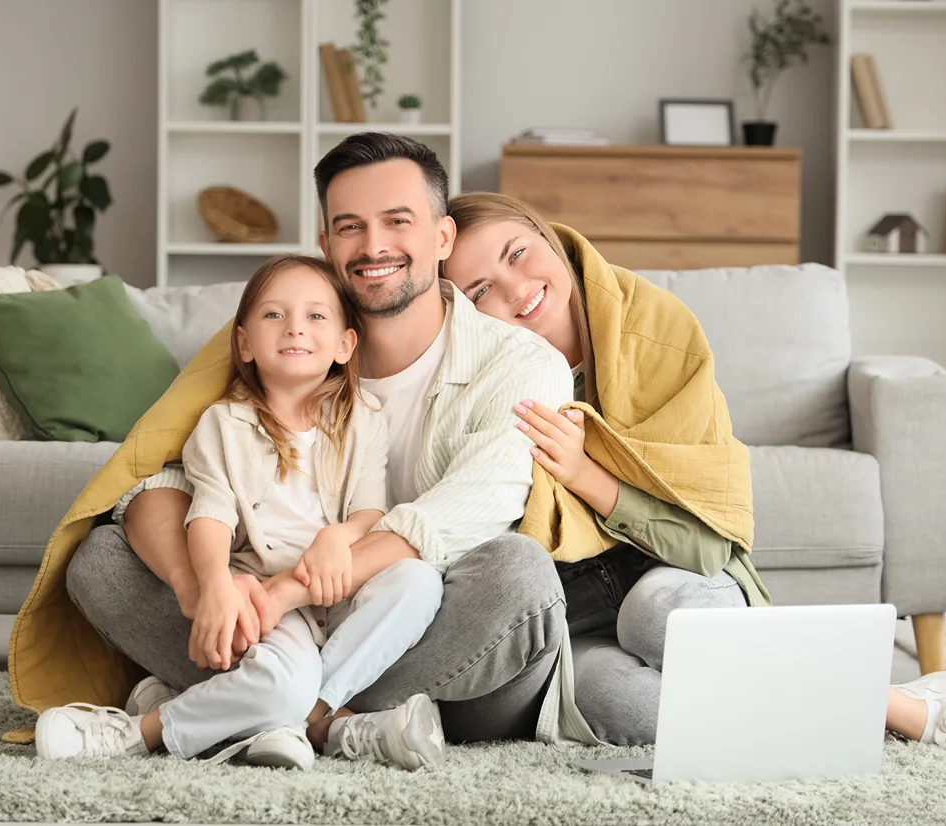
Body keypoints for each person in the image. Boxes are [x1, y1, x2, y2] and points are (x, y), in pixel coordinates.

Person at [441, 191, 946, 756]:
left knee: (658, 615)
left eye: (517, 253)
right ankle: (891, 699)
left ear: (547, 236)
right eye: (478, 291)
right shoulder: (483, 390)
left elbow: (709, 542)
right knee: (612, 700)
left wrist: (584, 471)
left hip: (676, 580)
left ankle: (916, 714)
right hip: (577, 622)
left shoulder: (654, 331)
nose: (513, 288)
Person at [39, 133, 574, 764]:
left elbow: (463, 511)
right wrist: (203, 589)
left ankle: (259, 709)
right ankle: (325, 722)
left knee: (520, 576)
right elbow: (163, 483)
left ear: (442, 238)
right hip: (269, 628)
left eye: (397, 222)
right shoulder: (286, 340)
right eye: (350, 226)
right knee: (99, 557)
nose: (374, 247)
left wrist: (290, 589)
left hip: (438, 655)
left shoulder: (522, 364)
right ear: (326, 245)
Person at [34, 255, 447, 770]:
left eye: (316, 316)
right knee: (280, 681)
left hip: (337, 591)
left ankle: (304, 717)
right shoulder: (223, 424)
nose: (296, 326)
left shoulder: (364, 417)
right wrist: (214, 587)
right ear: (245, 343)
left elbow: (369, 511)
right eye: (275, 315)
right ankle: (137, 733)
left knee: (418, 581)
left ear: (345, 344)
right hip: (264, 600)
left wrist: (339, 536)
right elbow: (208, 515)